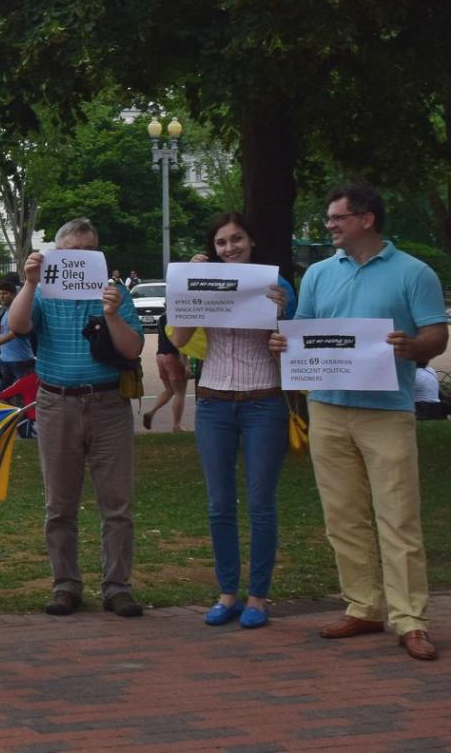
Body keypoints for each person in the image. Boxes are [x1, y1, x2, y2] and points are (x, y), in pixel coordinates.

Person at [271, 184, 445, 661]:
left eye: (337, 218)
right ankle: (363, 606)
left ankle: (410, 620)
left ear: (367, 219)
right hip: (327, 407)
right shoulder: (320, 274)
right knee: (342, 517)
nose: (330, 225)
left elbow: (436, 333)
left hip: (387, 410)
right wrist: (285, 344)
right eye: (330, 218)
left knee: (398, 517)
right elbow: (304, 331)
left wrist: (414, 347)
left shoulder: (414, 272)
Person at [6, 217, 146, 618]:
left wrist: (114, 314)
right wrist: (30, 282)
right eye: (72, 252)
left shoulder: (115, 293)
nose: (80, 259)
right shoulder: (45, 291)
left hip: (108, 404)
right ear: (58, 254)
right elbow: (17, 327)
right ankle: (65, 584)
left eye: (88, 252)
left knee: (117, 503)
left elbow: (133, 349)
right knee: (59, 503)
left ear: (98, 254)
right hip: (56, 403)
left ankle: (117, 586)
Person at [165, 212, 295, 630]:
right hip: (214, 402)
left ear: (251, 241)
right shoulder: (202, 282)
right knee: (219, 504)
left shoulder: (278, 285)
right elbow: (179, 339)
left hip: (264, 401)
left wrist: (282, 322)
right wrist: (187, 287)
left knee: (261, 504)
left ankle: (257, 595)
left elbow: (295, 346)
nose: (230, 248)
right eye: (221, 243)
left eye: (237, 239)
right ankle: (227, 592)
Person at [0, 278, 35, 391]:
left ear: (14, 295)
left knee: (24, 394)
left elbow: (15, 333)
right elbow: (3, 332)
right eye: (0, 294)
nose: (1, 296)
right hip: (5, 360)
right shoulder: (5, 312)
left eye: (5, 293)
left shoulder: (19, 313)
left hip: (20, 361)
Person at [142, 326, 190, 432]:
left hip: (160, 355)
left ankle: (151, 411)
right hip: (173, 356)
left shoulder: (162, 317)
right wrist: (186, 363)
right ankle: (177, 425)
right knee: (179, 393)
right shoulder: (178, 318)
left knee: (169, 390)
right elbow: (181, 343)